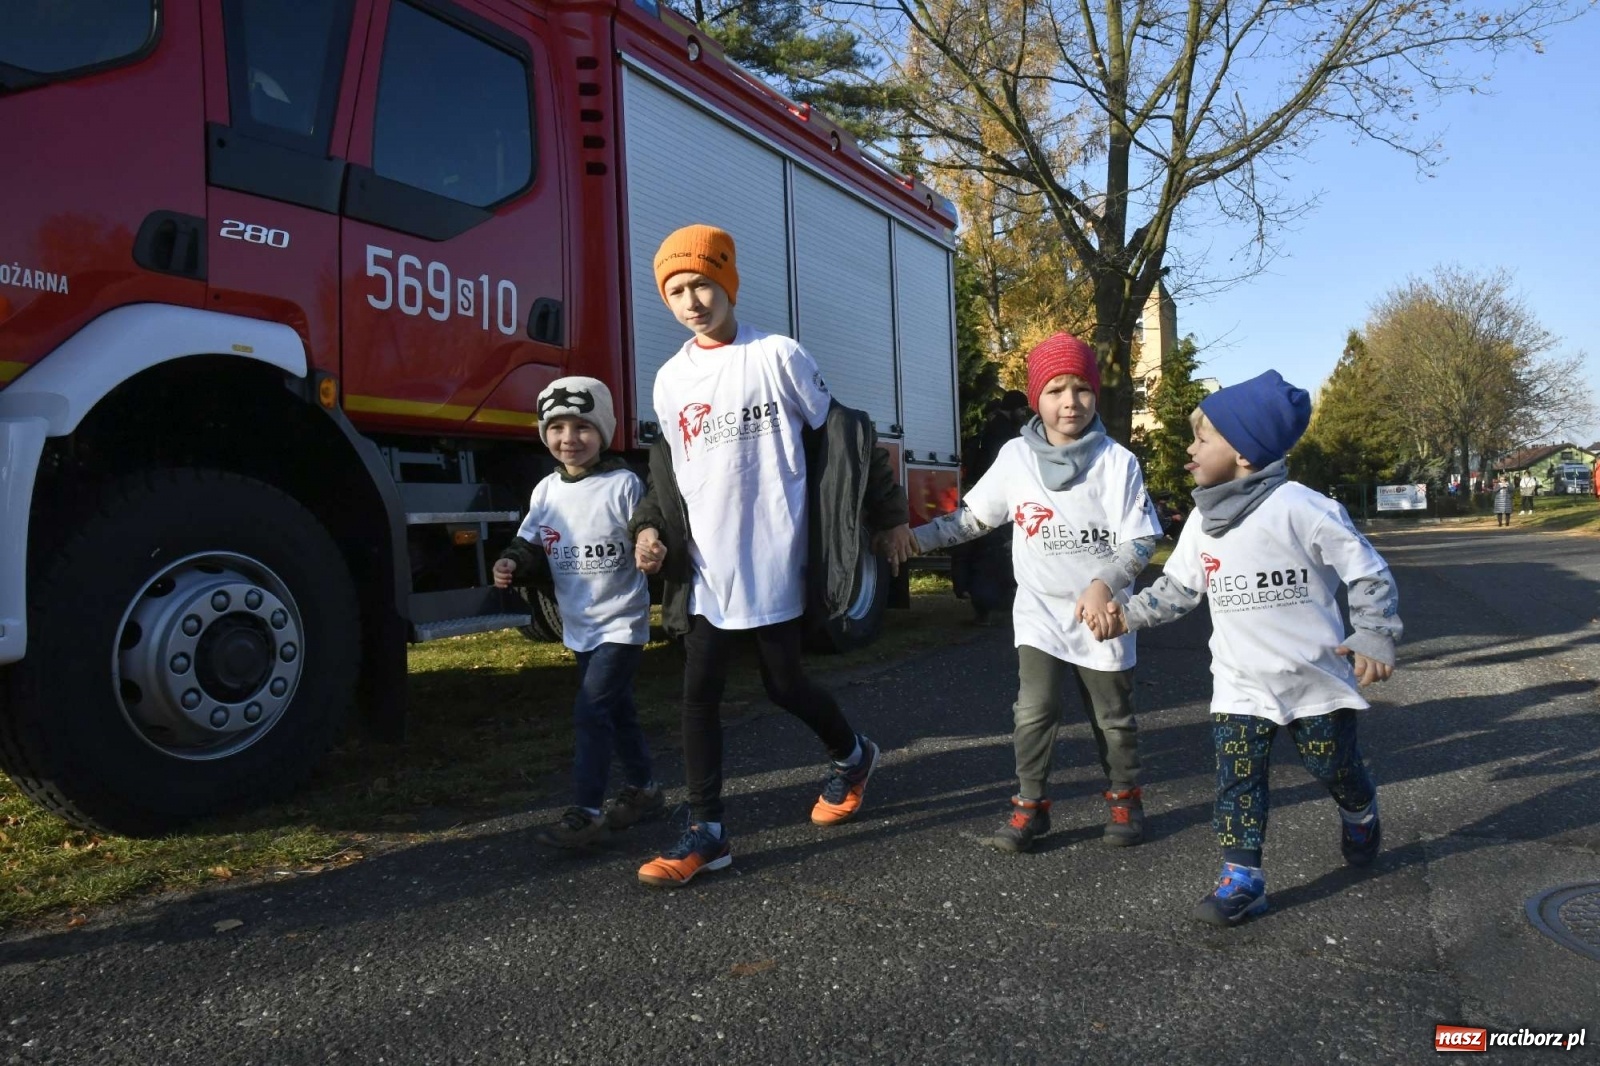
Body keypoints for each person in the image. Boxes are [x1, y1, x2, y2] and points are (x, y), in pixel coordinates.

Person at [630, 224, 915, 888]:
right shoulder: (672, 381)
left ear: (728, 282)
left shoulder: (777, 356)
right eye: (676, 290)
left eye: (702, 283)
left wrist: (890, 514)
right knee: (696, 694)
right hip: (708, 567)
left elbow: (846, 439)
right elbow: (667, 476)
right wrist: (652, 530)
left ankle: (852, 755)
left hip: (776, 559)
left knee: (783, 683)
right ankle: (709, 831)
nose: (692, 300)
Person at [1084, 370, 1402, 927]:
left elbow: (1366, 571)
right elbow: (1177, 591)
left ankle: (1359, 810)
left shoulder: (1301, 507)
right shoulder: (1203, 523)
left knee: (1334, 767)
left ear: (1247, 455)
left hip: (1315, 682)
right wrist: (1126, 615)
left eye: (1203, 438)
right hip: (1240, 686)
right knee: (1237, 781)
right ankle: (1242, 876)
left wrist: (1374, 632)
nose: (1190, 447)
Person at [913, 333, 1164, 852]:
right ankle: (1031, 807)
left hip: (1103, 615)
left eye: (1080, 389)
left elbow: (1142, 541)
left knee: (1112, 718)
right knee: (1034, 710)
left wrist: (1103, 585)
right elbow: (973, 519)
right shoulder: (1015, 458)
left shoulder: (1118, 463)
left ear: (1095, 394)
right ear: (1036, 398)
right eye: (1054, 390)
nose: (1069, 401)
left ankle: (1124, 798)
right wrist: (911, 542)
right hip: (1040, 614)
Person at [493, 377, 663, 849]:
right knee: (618, 710)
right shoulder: (546, 490)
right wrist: (512, 561)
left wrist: (648, 541)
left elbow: (646, 520)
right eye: (558, 427)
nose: (569, 438)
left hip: (621, 622)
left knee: (591, 711)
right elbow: (530, 541)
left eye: (582, 427)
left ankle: (586, 812)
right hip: (580, 622)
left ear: (604, 431)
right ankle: (645, 790)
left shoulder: (622, 483)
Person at [950, 390, 1030, 625]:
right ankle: (996, 605)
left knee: (981, 554)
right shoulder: (1005, 436)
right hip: (997, 500)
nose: (1024, 414)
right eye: (1022, 410)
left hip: (981, 496)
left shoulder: (991, 430)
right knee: (994, 554)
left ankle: (984, 607)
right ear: (1012, 409)